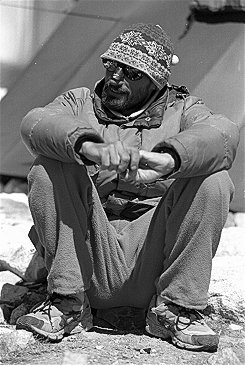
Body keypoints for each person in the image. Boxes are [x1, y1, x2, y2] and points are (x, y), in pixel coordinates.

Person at [16, 23, 240, 352]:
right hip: (88, 252)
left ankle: (178, 309)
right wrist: (86, 146)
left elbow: (223, 134)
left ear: (156, 82)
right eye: (111, 66)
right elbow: (36, 123)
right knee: (49, 165)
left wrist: (172, 158)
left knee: (213, 178)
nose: (116, 78)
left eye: (132, 74)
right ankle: (66, 303)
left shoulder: (183, 109)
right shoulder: (79, 102)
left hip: (151, 253)